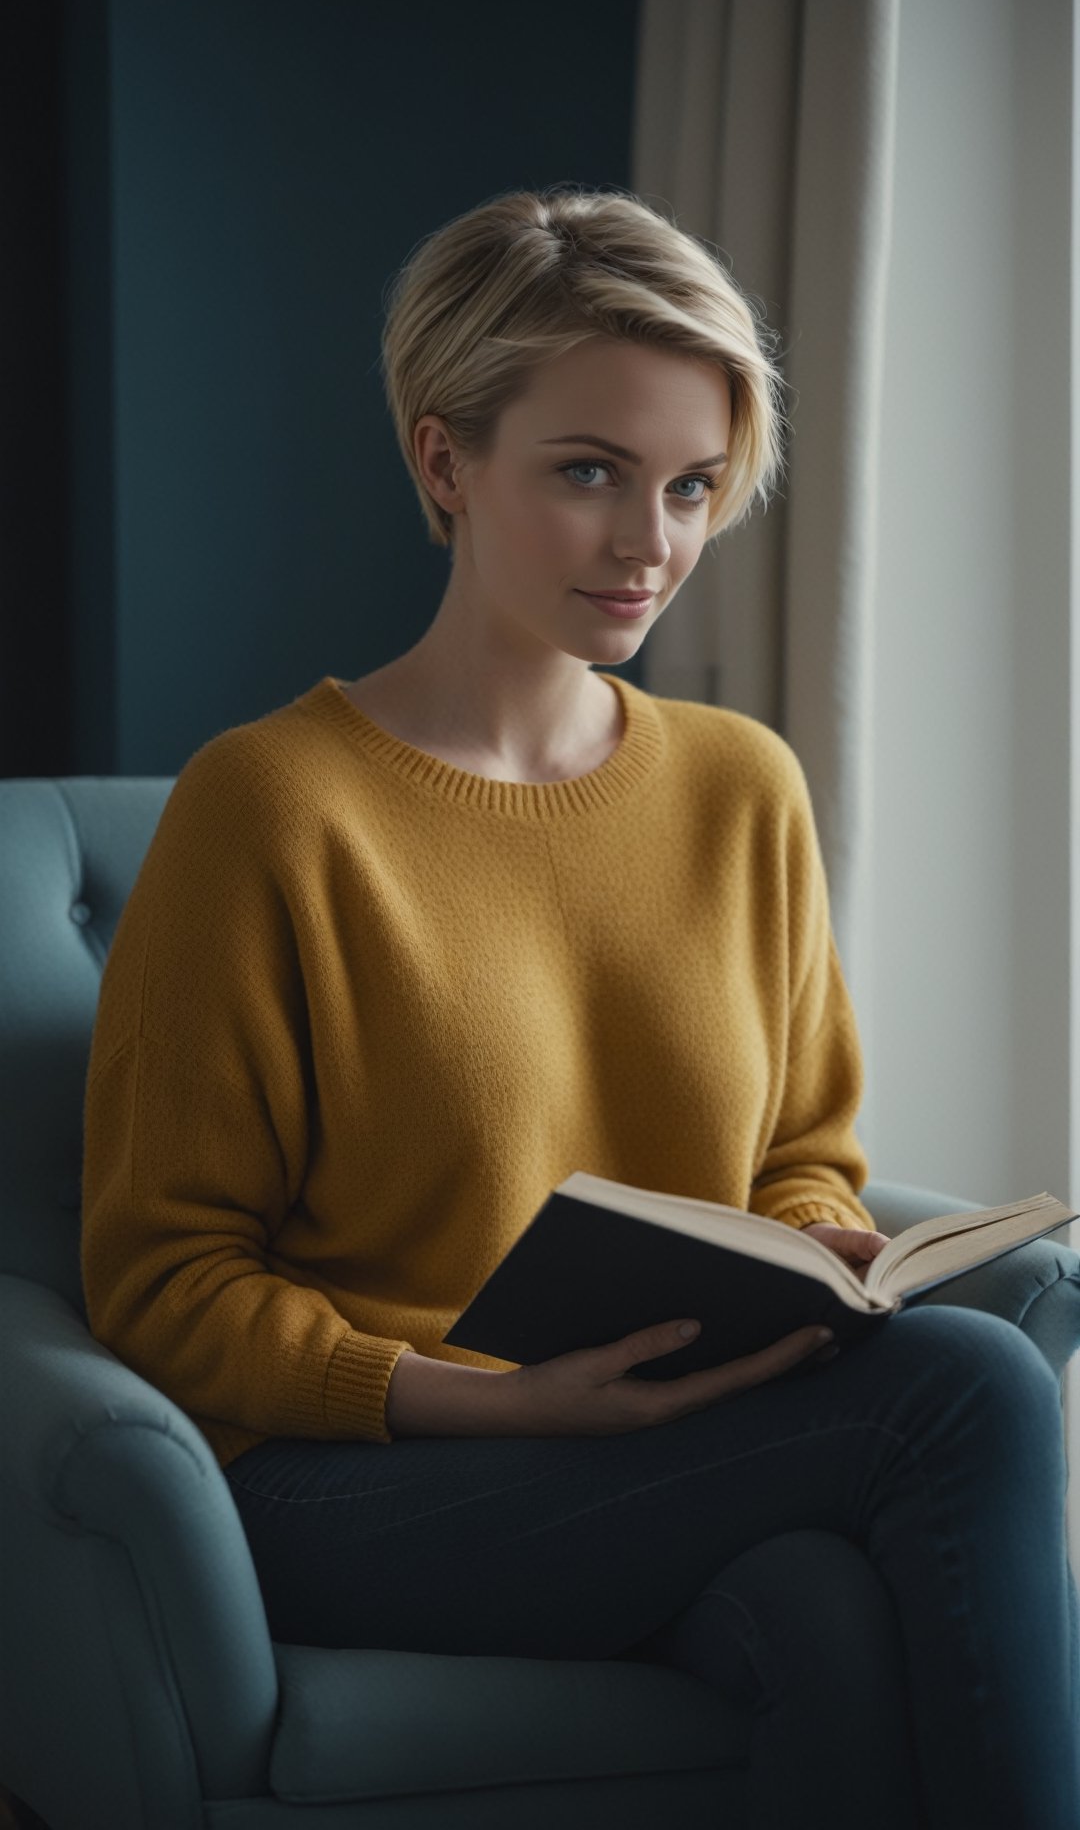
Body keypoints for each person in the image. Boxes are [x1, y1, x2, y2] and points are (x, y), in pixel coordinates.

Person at [80, 184, 1080, 1829]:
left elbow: (802, 1155)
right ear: (444, 461)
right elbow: (162, 1280)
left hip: (655, 1450)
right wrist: (485, 1396)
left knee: (827, 1629)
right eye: (590, 473)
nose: (650, 544)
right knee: (973, 1389)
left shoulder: (739, 789)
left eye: (692, 486)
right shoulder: (269, 807)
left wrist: (822, 1241)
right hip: (366, 1477)